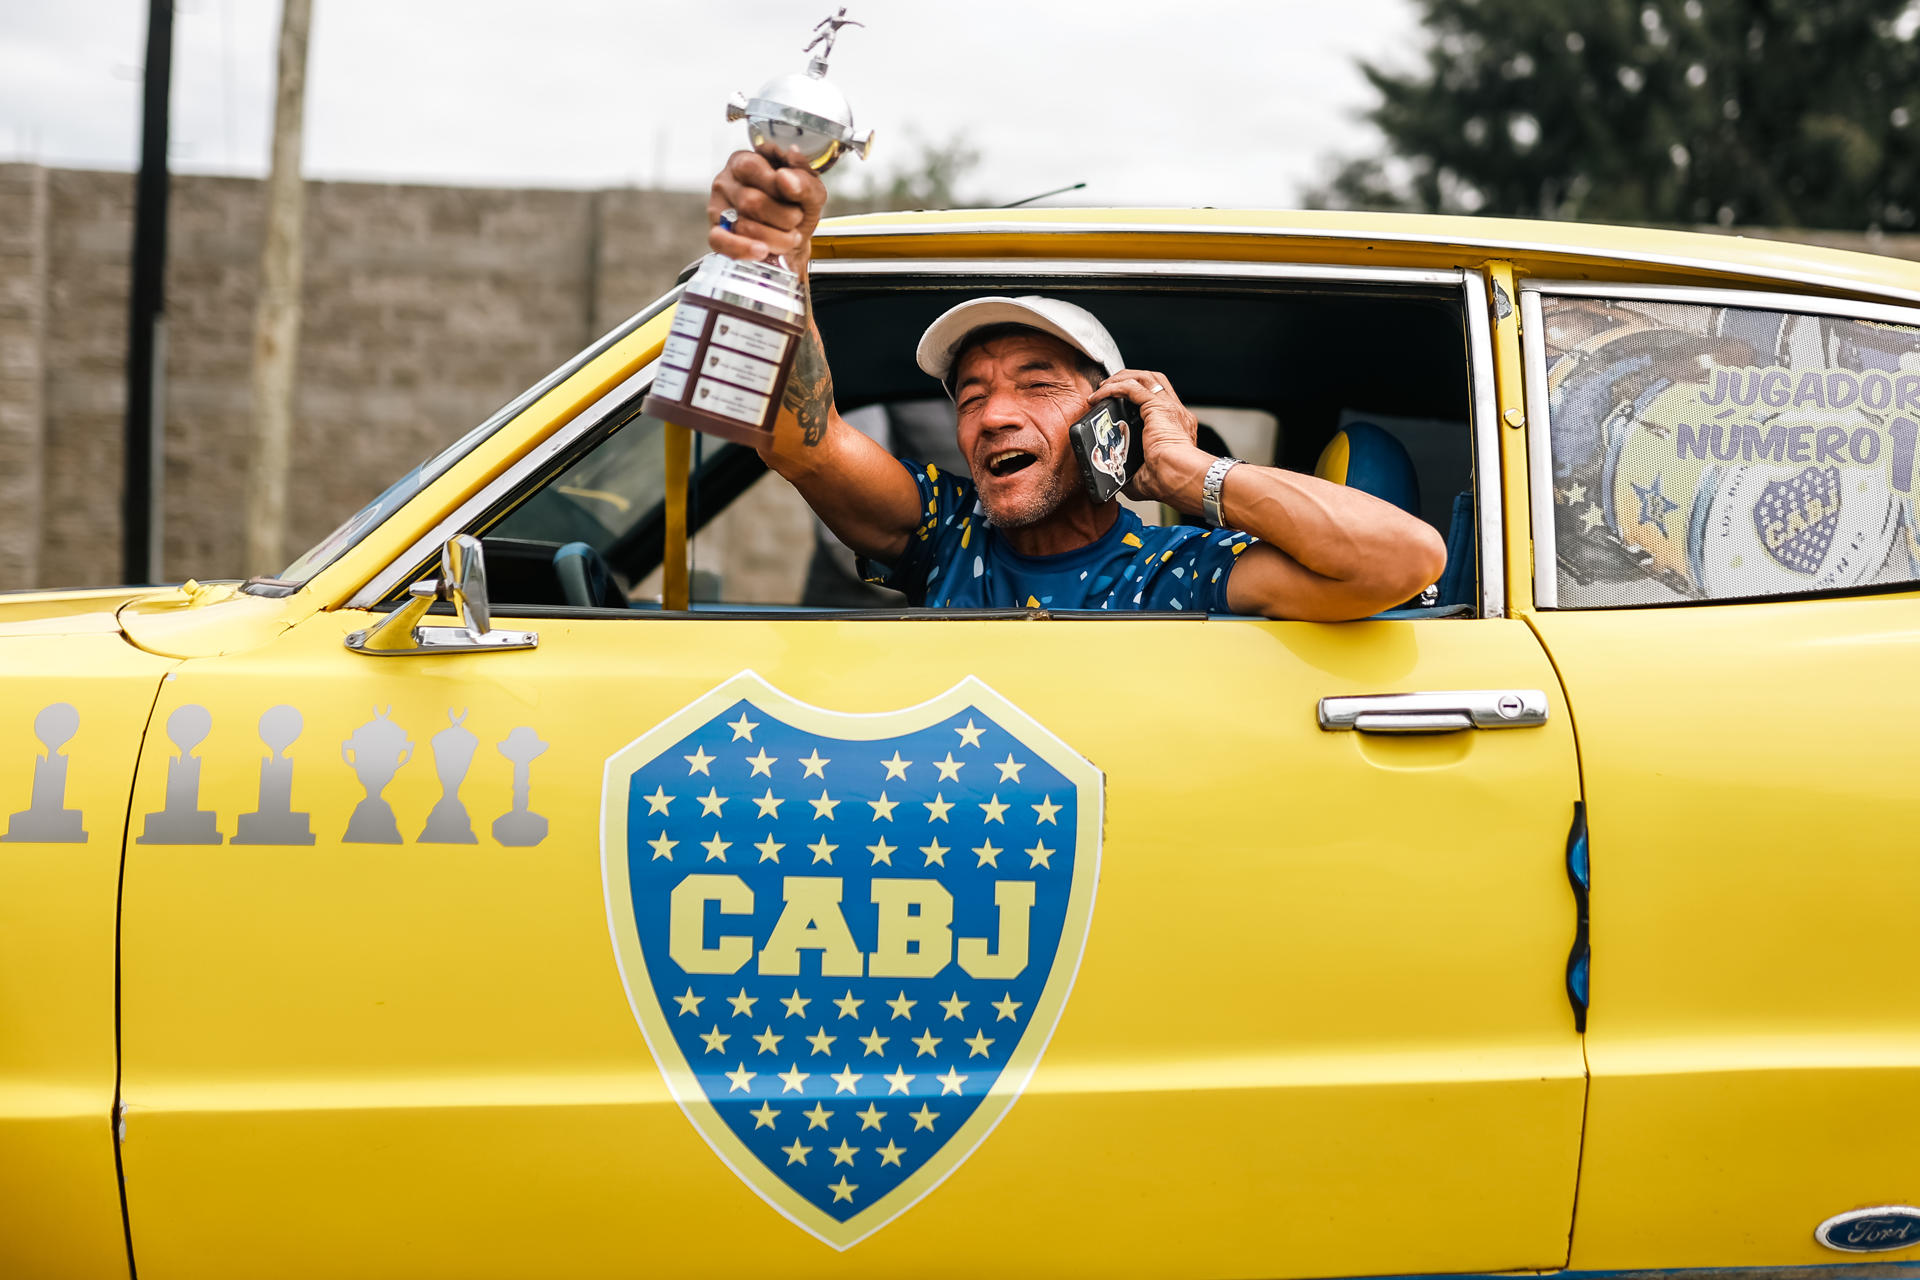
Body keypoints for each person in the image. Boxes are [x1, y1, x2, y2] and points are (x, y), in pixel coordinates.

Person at [706, 150, 1447, 620]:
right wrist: (774, 261)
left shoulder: (1175, 575)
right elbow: (798, 439)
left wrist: (1191, 474)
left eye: (1037, 386)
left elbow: (1405, 559)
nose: (993, 415)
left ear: (1110, 425)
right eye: (970, 397)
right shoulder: (943, 534)